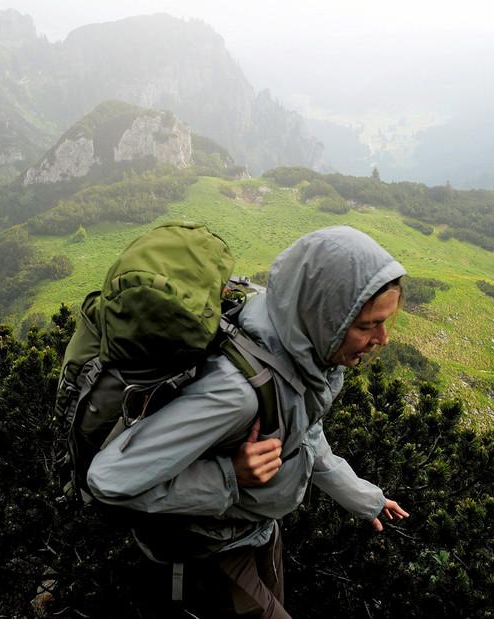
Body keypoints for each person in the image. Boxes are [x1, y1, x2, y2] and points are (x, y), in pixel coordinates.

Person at [87, 225, 410, 617]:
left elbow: (303, 431)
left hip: (257, 529)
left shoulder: (299, 344)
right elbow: (107, 480)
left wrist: (362, 498)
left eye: (384, 322)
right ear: (324, 316)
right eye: (366, 326)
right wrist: (230, 475)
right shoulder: (236, 393)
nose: (383, 338)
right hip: (209, 549)